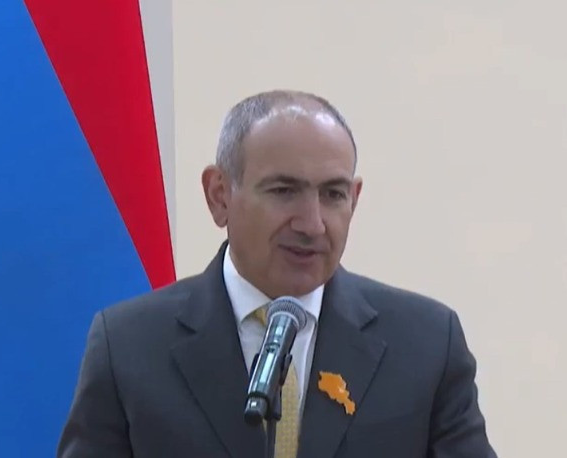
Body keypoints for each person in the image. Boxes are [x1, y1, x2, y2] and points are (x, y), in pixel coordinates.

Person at [58, 90, 497, 457]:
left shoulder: (425, 344)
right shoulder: (129, 345)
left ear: (355, 198)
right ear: (219, 195)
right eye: (284, 191)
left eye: (333, 194)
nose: (312, 223)